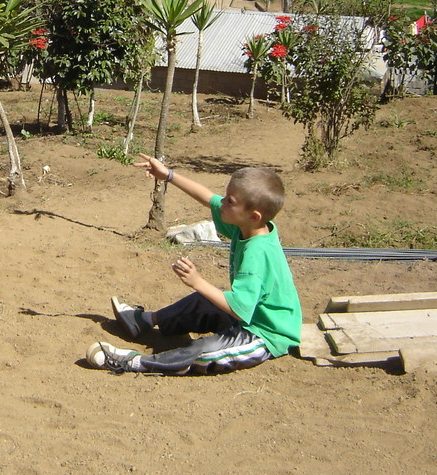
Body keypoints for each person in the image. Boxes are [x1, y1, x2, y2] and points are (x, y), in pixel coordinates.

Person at [86, 153, 300, 375]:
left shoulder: (257, 254)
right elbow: (207, 198)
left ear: (253, 216)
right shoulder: (249, 227)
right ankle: (145, 320)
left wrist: (197, 281)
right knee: (204, 299)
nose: (222, 203)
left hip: (265, 333)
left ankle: (134, 362)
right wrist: (168, 175)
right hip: (249, 316)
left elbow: (239, 309)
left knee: (203, 351)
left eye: (230, 201)